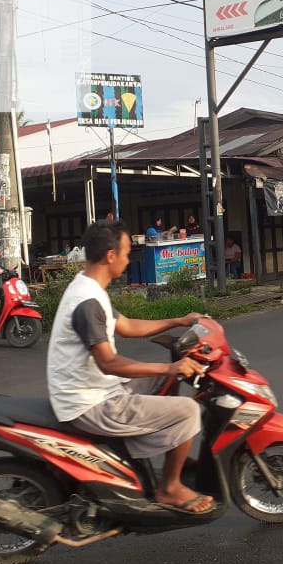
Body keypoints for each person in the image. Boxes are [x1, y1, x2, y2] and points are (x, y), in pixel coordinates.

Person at [47, 220, 214, 514]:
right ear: (110, 255)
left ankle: (175, 454)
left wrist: (178, 320)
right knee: (188, 409)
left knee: (164, 383)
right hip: (89, 403)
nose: (128, 258)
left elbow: (126, 326)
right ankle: (169, 489)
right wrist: (170, 369)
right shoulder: (87, 301)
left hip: (97, 389)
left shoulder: (89, 288)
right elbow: (109, 363)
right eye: (126, 252)